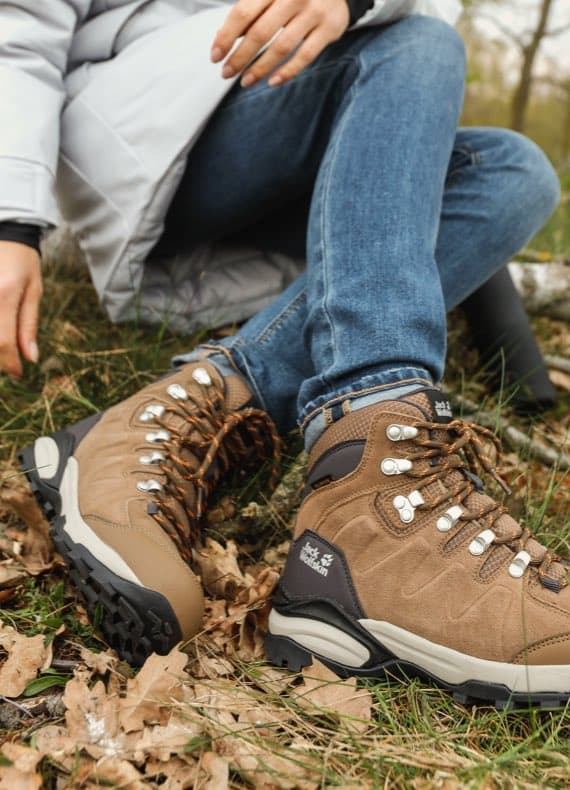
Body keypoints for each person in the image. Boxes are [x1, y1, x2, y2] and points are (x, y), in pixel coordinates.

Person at [5, 0, 569, 706]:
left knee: (515, 170)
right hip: (135, 129)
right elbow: (17, 27)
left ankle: (197, 402)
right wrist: (10, 217)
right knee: (415, 45)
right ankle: (374, 492)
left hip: (299, 115)